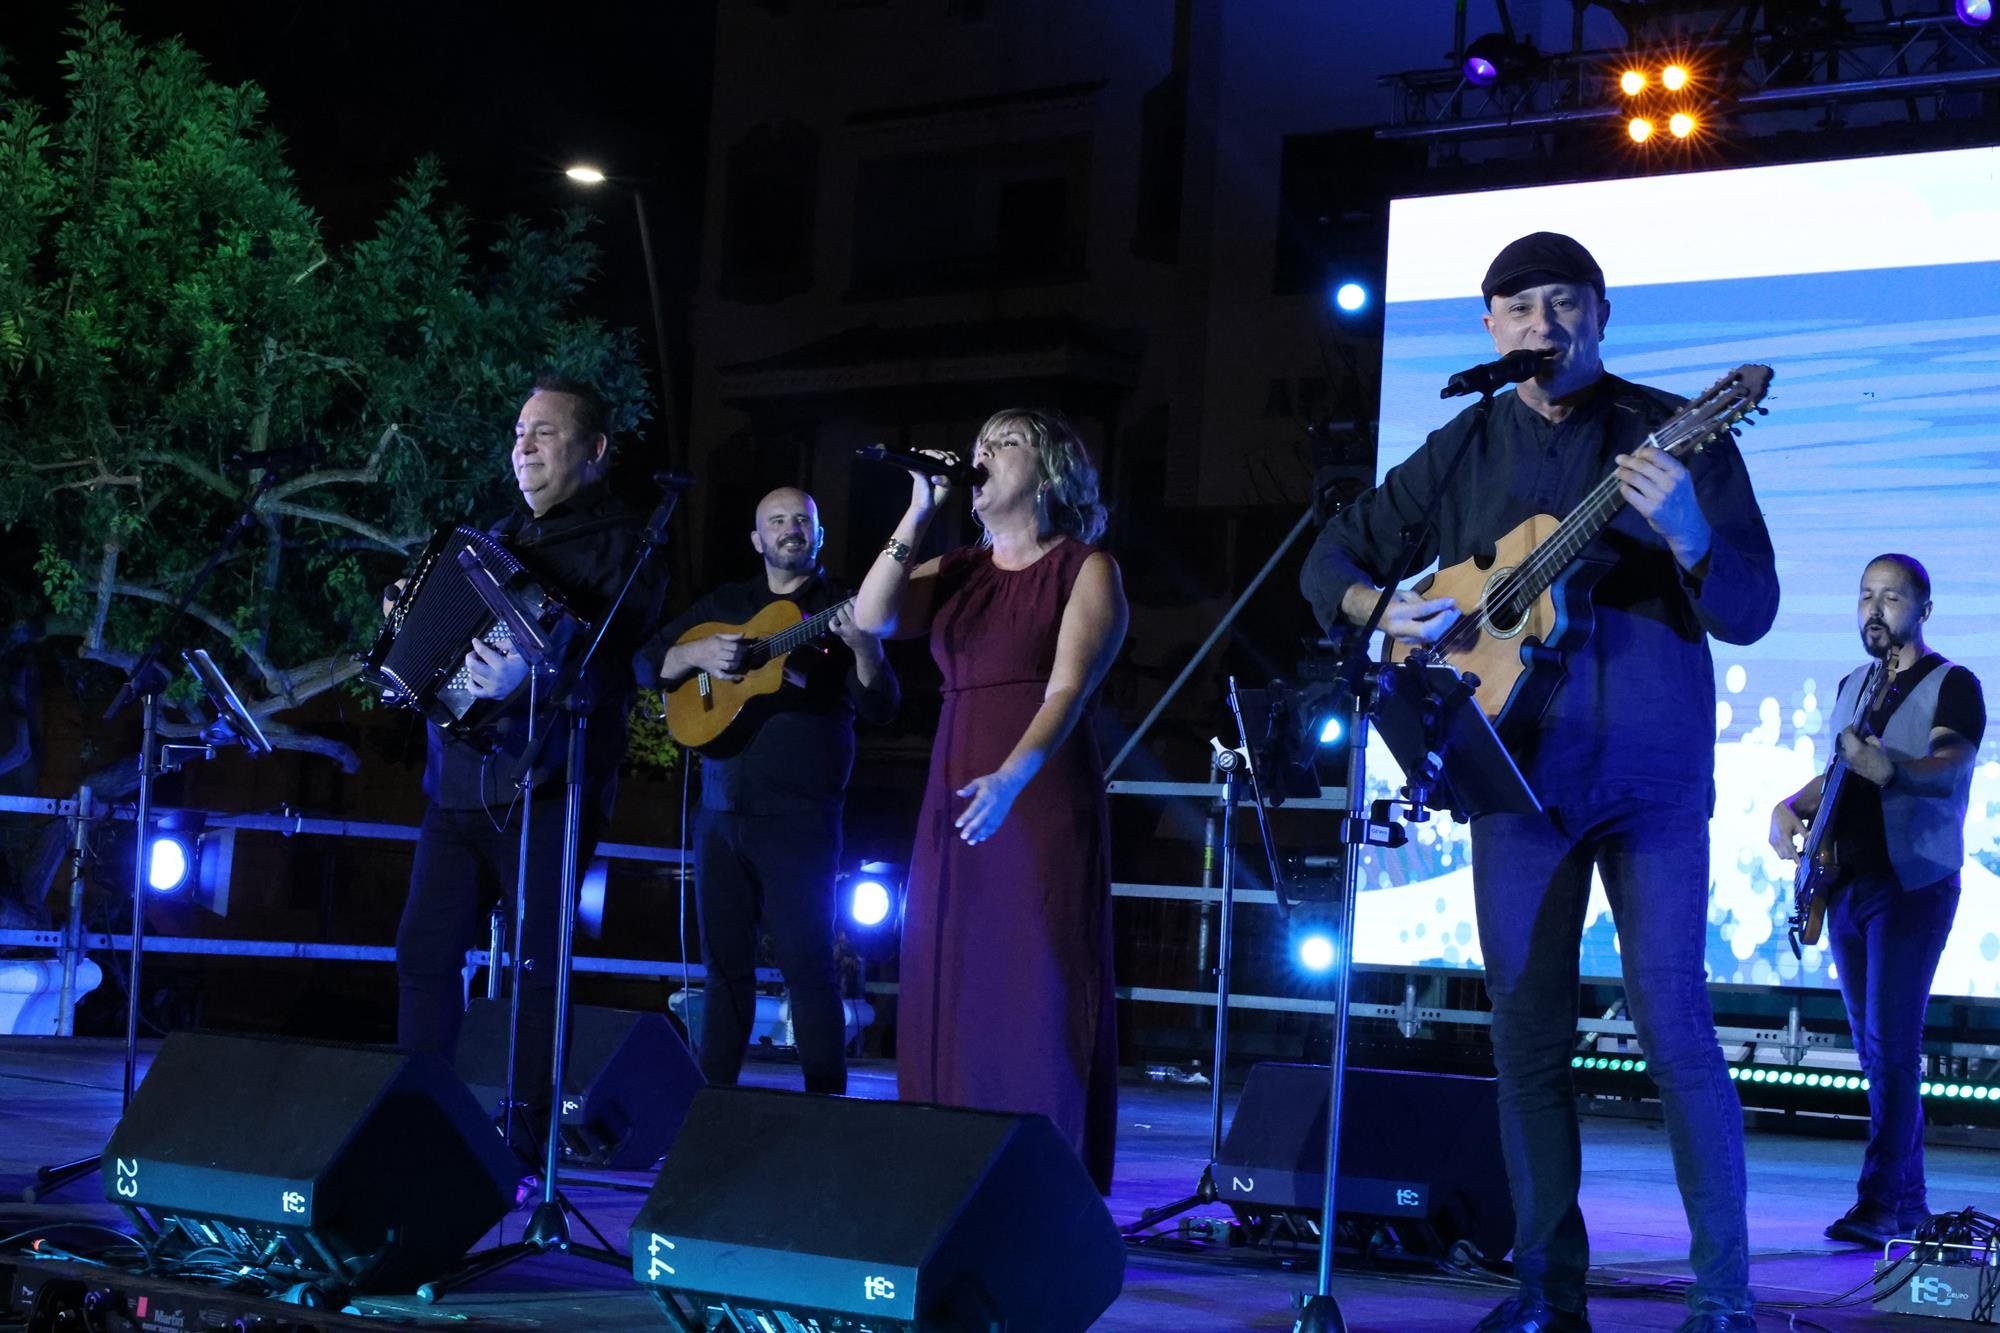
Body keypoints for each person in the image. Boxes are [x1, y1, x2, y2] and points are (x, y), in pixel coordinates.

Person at [1300, 232, 1779, 1333]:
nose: (1542, 325)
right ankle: (1543, 1296)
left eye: (1564, 304)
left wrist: (1692, 532)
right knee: (1523, 1043)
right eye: (1517, 309)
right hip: (1511, 777)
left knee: (1673, 1029)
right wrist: (1382, 610)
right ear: (1487, 330)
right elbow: (1327, 560)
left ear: (1600, 315)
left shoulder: (1671, 431)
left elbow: (1746, 608)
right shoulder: (1464, 440)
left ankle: (1720, 1299)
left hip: (1649, 778)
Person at [851, 409, 1127, 1193]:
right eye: (978, 446)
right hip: (956, 780)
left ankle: (1046, 1181)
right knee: (952, 972)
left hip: (1034, 789)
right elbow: (872, 618)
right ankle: (946, 1171)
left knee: (1036, 978)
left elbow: (1069, 688)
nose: (982, 456)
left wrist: (1012, 777)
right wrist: (917, 508)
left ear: (1049, 471)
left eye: (1004, 444)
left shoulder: (1086, 567)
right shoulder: (961, 568)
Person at [391, 374, 666, 1111]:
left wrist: (539, 668)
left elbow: (624, 668)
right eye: (519, 432)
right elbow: (444, 647)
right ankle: (423, 1117)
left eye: (544, 431)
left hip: (551, 786)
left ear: (595, 449)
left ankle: (525, 1136)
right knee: (423, 953)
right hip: (458, 784)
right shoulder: (494, 538)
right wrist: (407, 619)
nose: (525, 446)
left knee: (538, 967)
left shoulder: (629, 546)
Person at [637, 487, 898, 1096]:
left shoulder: (843, 605)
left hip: (801, 818)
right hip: (720, 811)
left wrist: (865, 649)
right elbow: (647, 663)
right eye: (776, 521)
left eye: (802, 520)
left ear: (819, 536)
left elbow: (882, 706)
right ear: (757, 540)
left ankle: (823, 1104)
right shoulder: (727, 603)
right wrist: (697, 650)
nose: (790, 529)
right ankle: (714, 1104)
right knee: (723, 969)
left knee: (809, 967)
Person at [1768, 554, 1982, 1247]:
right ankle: (1909, 1203)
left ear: (1923, 608)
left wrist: (1890, 767)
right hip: (1848, 885)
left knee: (1892, 1047)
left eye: (1891, 597)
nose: (1875, 608)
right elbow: (1839, 771)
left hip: (1911, 885)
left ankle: (1878, 1203)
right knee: (1876, 1052)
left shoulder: (1954, 683)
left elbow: (1948, 763)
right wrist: (1788, 804)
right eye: (1865, 595)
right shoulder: (1853, 684)